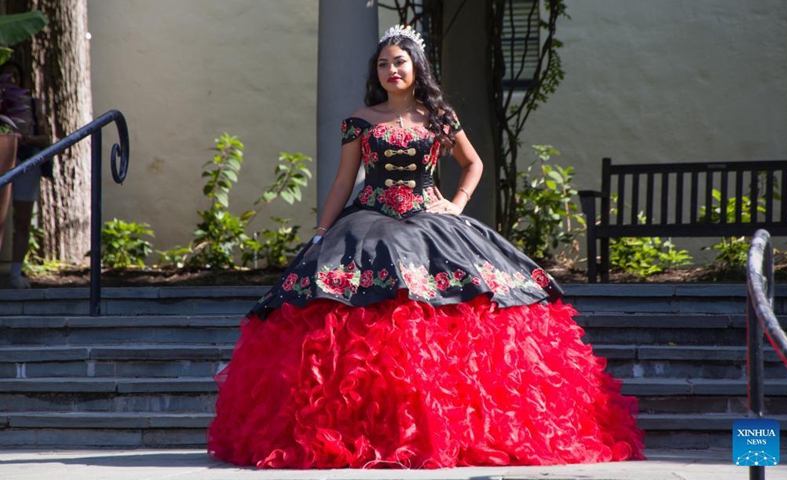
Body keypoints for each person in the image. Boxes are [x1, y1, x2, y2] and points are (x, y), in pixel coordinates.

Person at [207, 25, 645, 469]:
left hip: (431, 218)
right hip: (369, 219)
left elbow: (472, 163)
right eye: (383, 64)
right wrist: (322, 231)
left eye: (399, 61)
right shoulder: (359, 120)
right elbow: (344, 180)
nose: (391, 70)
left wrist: (456, 205)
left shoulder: (439, 117)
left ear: (417, 67)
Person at [0, 61, 51, 289]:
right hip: (4, 162)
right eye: (5, 78)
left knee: (22, 219)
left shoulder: (31, 103)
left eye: (15, 77)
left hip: (26, 163)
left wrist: (27, 140)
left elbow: (46, 138)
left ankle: (16, 272)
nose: (10, 82)